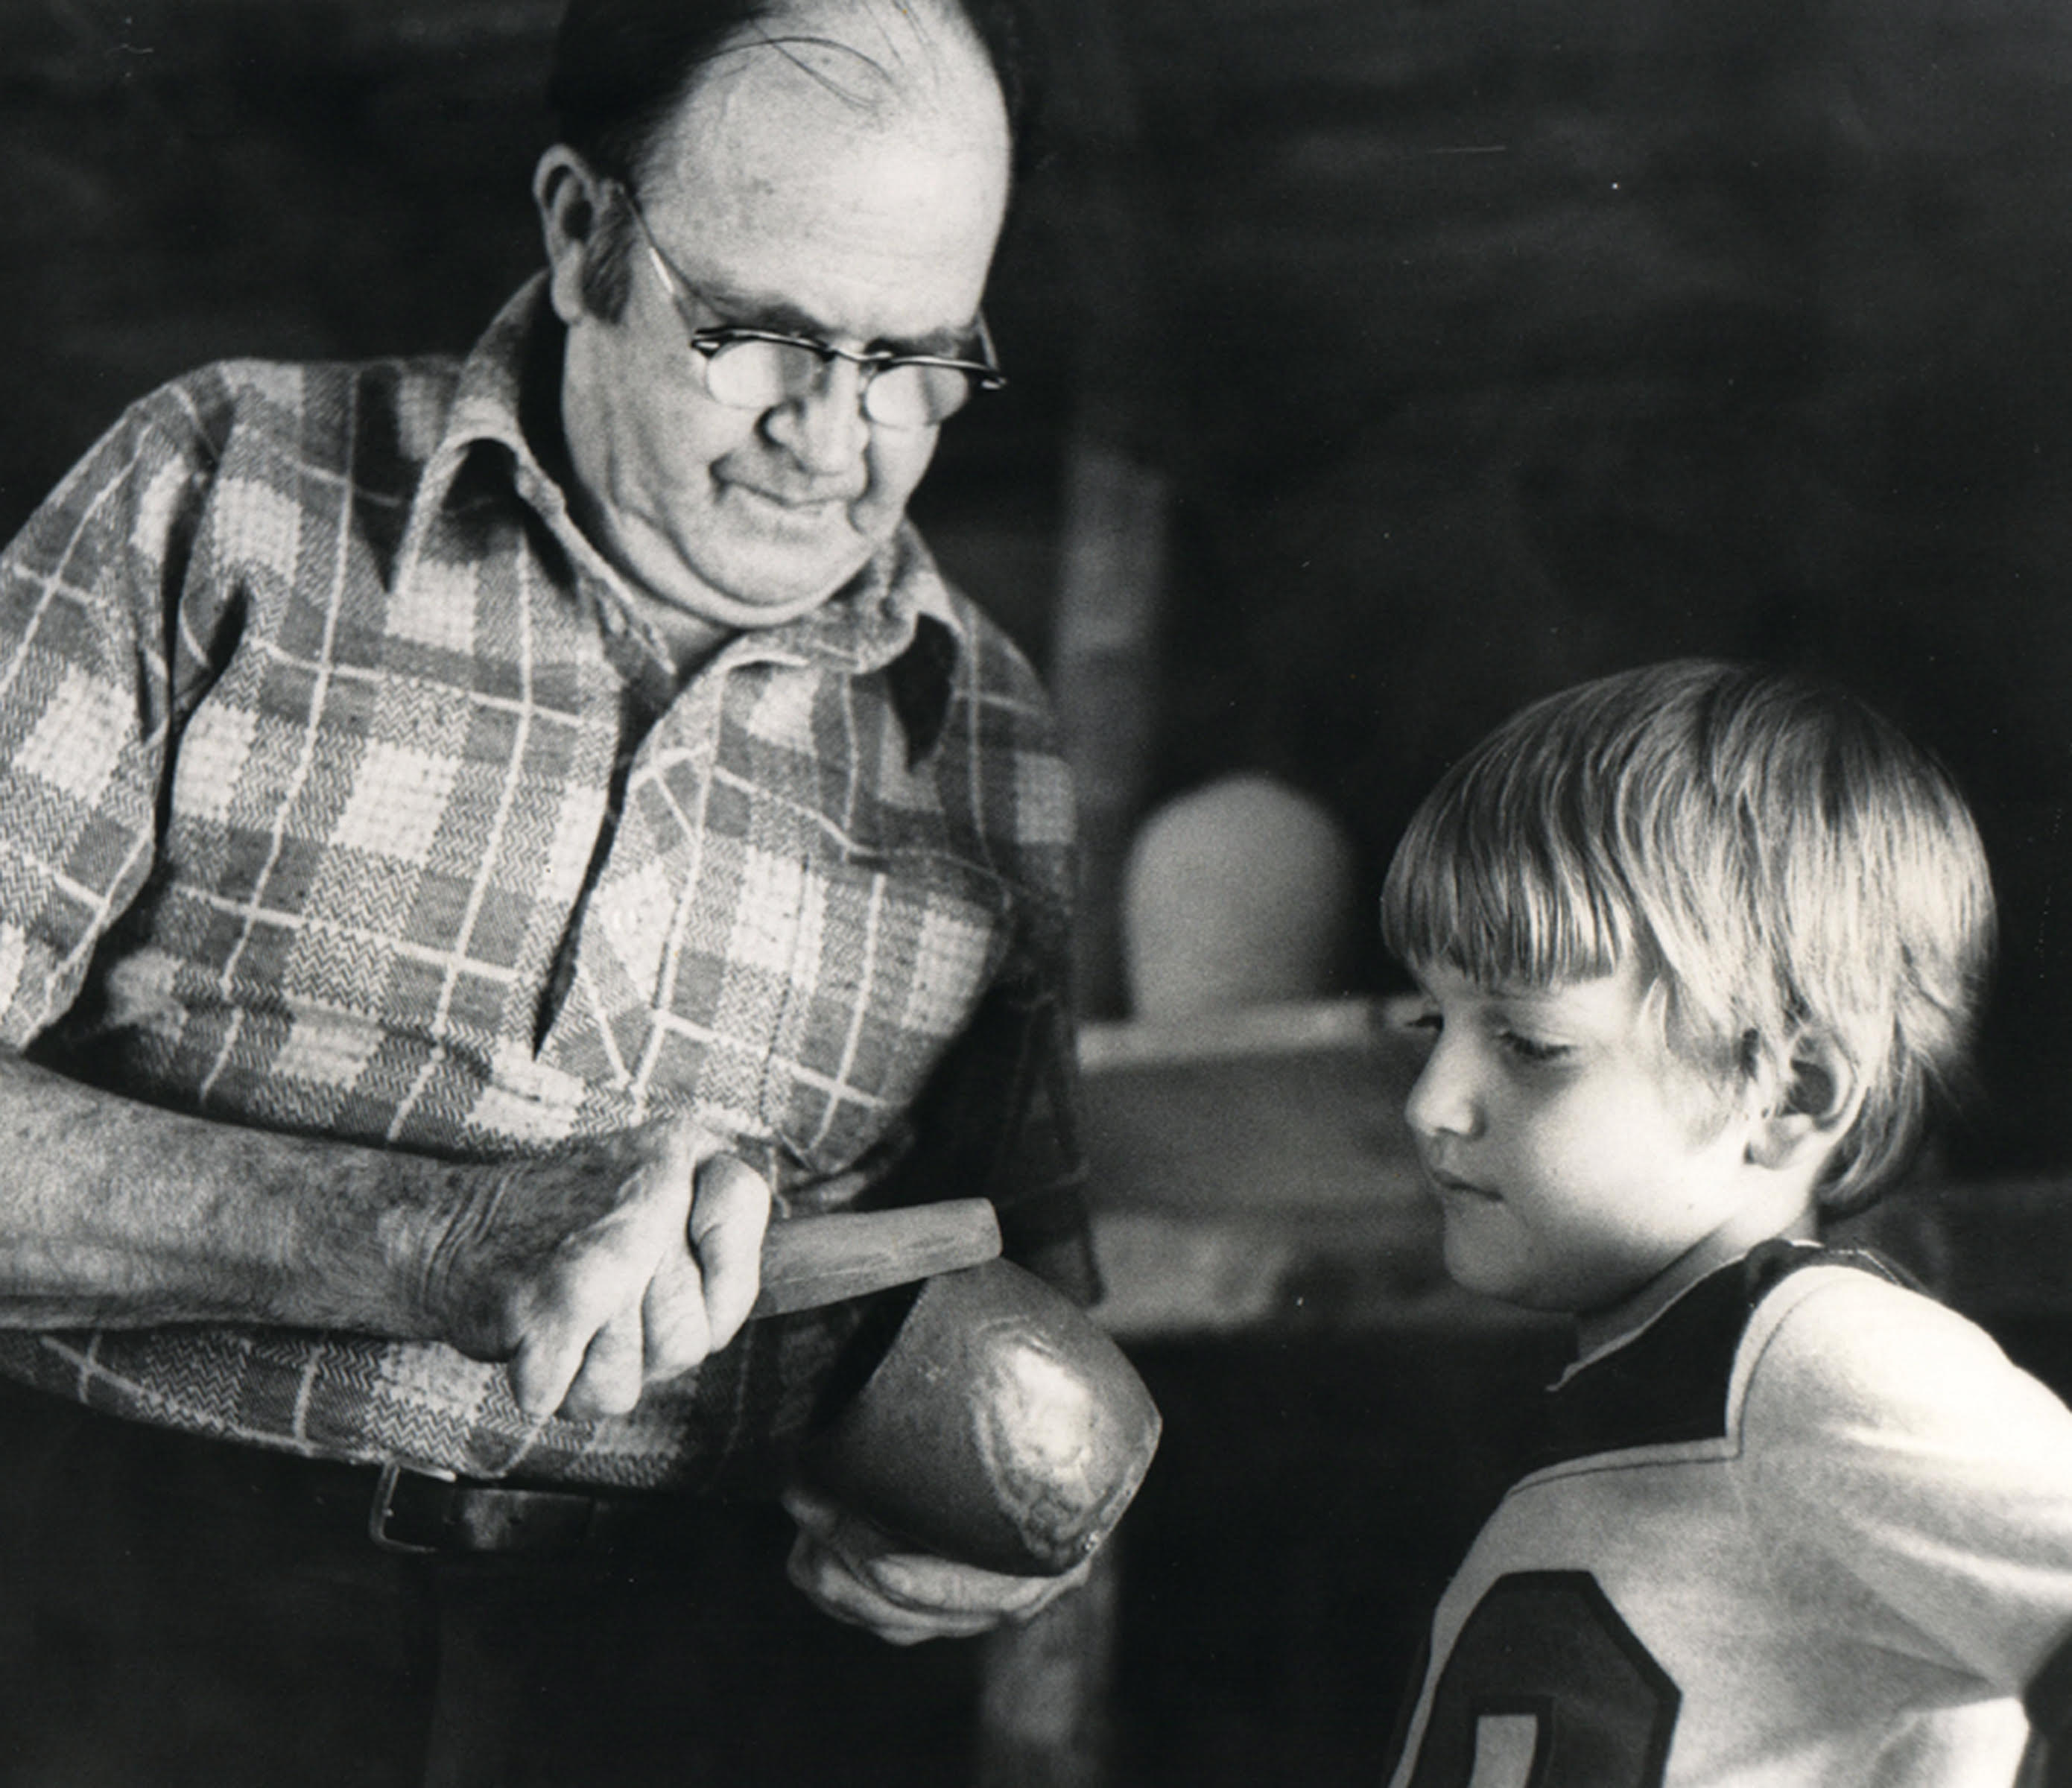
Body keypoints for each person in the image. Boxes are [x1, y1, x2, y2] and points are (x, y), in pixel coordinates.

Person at [0, 0, 1097, 1780]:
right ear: (585, 233)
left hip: (670, 1688)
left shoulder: (988, 743)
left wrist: (961, 1546)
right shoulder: (220, 493)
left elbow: (1010, 1302)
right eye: (759, 332)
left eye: (919, 353)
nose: (840, 433)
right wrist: (421, 1243)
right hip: (119, 1618)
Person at [1375, 659, 2072, 1786]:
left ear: (1787, 1094)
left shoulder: (1821, 1357)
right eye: (1430, 1017)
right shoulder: (1667, 1387)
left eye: (1528, 1043)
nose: (1428, 1104)